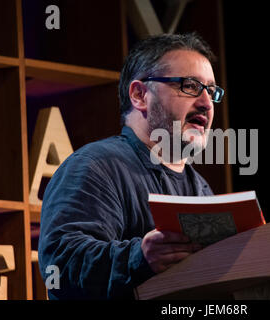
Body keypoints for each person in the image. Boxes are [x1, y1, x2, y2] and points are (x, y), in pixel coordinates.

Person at [38, 33, 225, 299]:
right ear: (139, 95)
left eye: (211, 91)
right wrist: (139, 257)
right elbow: (60, 264)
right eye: (189, 86)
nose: (206, 103)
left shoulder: (200, 187)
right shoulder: (95, 167)